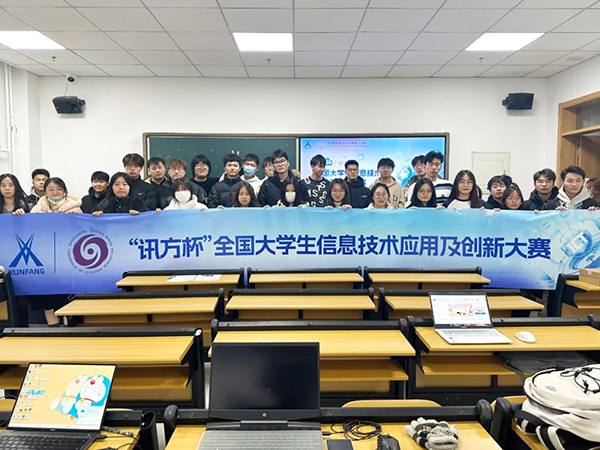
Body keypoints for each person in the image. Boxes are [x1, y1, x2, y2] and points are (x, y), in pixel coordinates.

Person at [31, 177, 81, 326]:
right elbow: (29, 229)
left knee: (66, 295)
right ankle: (52, 328)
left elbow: (82, 231)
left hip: (68, 259)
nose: (55, 192)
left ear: (64, 191)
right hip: (44, 258)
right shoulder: (36, 210)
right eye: (51, 189)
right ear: (45, 191)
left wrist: (76, 218)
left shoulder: (75, 209)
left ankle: (67, 328)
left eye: (59, 189)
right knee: (47, 296)